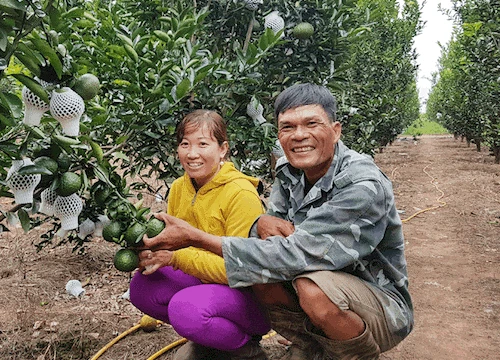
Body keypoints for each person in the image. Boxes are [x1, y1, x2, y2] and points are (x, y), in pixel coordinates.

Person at [141, 84, 414, 360]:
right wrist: (260, 223)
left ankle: (354, 356)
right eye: (287, 127)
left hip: (378, 304)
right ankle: (308, 346)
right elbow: (272, 237)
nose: (299, 135)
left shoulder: (361, 185)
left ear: (336, 130)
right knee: (262, 269)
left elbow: (296, 255)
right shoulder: (289, 171)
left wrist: (193, 238)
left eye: (311, 123)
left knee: (312, 287)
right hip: (312, 282)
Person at [130, 109, 271, 360]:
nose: (192, 154)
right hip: (204, 284)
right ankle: (209, 339)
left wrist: (173, 258)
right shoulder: (179, 187)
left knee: (186, 310)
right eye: (185, 144)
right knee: (143, 287)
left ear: (222, 149)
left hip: (249, 297)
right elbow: (172, 244)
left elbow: (240, 271)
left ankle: (244, 348)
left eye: (203, 144)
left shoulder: (240, 194)